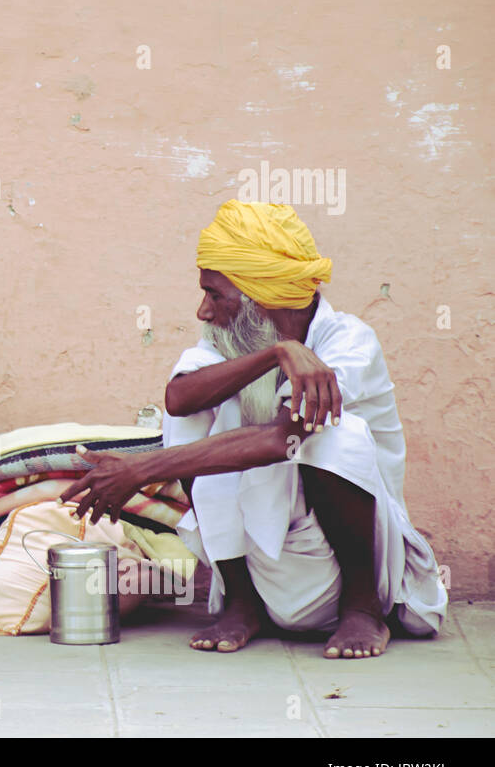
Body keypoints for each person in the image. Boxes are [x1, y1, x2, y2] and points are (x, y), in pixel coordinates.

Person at [60, 200, 447, 658]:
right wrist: (275, 353)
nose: (204, 311)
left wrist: (138, 470)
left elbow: (280, 439)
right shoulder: (239, 340)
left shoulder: (349, 341)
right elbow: (178, 398)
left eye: (216, 295)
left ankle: (363, 611)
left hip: (347, 566)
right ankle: (243, 603)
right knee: (192, 415)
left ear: (263, 300)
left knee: (336, 435)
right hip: (268, 568)